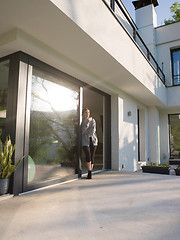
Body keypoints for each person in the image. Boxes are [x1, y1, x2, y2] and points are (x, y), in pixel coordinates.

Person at [81, 108, 98, 179]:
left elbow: (93, 131)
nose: (87, 114)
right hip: (85, 141)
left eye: (88, 112)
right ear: (83, 114)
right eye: (85, 112)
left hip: (93, 140)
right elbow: (82, 130)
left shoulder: (93, 120)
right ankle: (90, 171)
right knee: (88, 156)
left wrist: (85, 131)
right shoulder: (82, 122)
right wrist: (87, 123)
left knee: (92, 157)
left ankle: (89, 172)